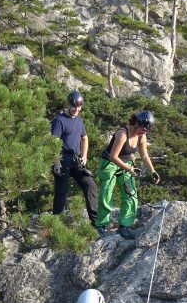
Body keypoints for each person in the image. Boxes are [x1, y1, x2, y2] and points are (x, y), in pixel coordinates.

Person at [96, 110, 159, 240]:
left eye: (146, 131)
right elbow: (113, 157)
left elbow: (144, 155)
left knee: (131, 195)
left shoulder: (142, 136)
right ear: (136, 123)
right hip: (109, 163)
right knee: (106, 193)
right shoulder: (122, 134)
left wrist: (152, 171)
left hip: (126, 163)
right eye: (142, 129)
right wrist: (129, 169)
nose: (144, 132)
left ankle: (124, 226)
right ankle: (102, 225)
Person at [50, 90, 98, 226]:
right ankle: (56, 224)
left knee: (90, 185)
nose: (76, 109)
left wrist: (84, 155)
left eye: (79, 107)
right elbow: (53, 143)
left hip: (76, 160)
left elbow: (85, 138)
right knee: (61, 192)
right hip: (62, 160)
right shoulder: (59, 121)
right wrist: (56, 163)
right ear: (68, 104)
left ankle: (95, 222)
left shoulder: (79, 120)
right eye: (74, 106)